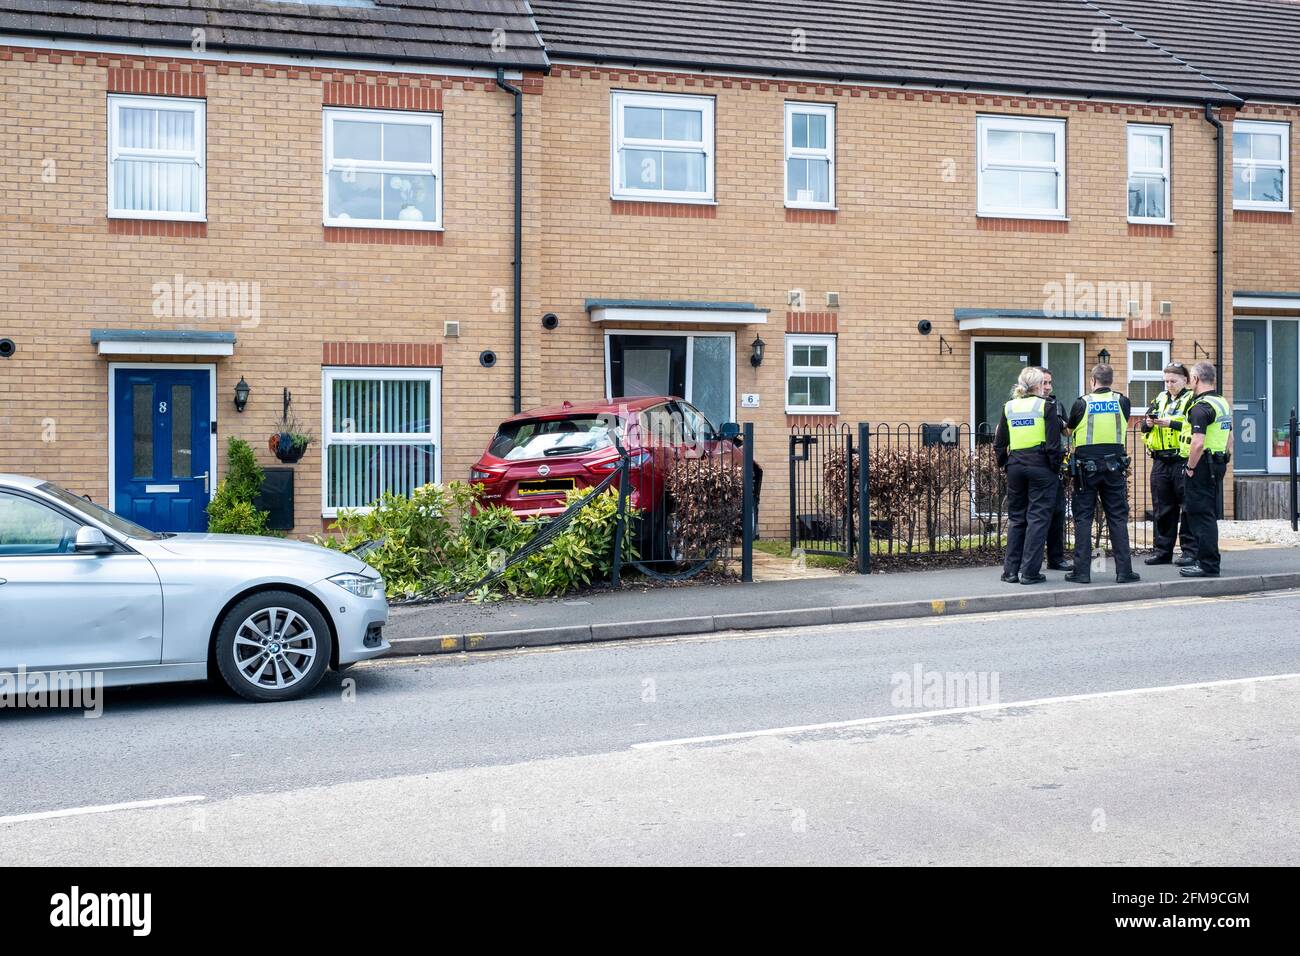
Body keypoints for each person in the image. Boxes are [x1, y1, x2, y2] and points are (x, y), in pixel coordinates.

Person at [1064, 363, 1140, 584]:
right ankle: (1124, 572)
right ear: (1111, 380)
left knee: (1083, 519)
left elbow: (1068, 430)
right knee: (1117, 518)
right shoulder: (1122, 402)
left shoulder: (1082, 403)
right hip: (1114, 468)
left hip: (1086, 470)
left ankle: (1081, 572)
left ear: (1092, 381)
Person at [994, 366, 1063, 585]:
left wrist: (1005, 463)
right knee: (1038, 518)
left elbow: (999, 443)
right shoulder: (1047, 406)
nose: (1046, 387)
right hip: (1041, 466)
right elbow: (1054, 445)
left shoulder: (1009, 407)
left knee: (1017, 519)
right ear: (1036, 386)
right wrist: (1054, 467)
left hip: (1016, 466)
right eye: (1044, 383)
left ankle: (1010, 571)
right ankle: (1030, 573)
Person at [1178, 361, 1233, 578]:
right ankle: (1207, 561)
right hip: (1217, 463)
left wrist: (1190, 467)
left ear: (1196, 379)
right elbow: (1230, 437)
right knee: (1207, 512)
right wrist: (1225, 458)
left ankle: (1208, 565)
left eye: (1191, 377)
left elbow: (1197, 443)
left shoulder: (1201, 407)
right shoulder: (1221, 402)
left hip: (1202, 465)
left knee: (1201, 515)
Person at [1141, 363, 1197, 566]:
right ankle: (1162, 551)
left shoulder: (1192, 399)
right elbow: (1145, 426)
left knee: (1187, 507)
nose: (1169, 384)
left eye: (1173, 381)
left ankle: (1189, 552)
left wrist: (1170, 423)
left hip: (1181, 458)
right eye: (1166, 381)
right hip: (1160, 461)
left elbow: (1195, 426)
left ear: (1185, 380)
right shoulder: (1160, 399)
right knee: (1162, 508)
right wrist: (1147, 424)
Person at [1038, 366, 1071, 570]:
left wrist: (1065, 424)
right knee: (1034, 516)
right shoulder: (1024, 405)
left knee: (1057, 513)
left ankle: (1056, 558)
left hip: (1054, 465)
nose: (1048, 387)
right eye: (1044, 383)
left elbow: (1067, 432)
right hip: (1035, 464)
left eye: (1050, 382)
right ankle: (1030, 561)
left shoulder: (1056, 405)